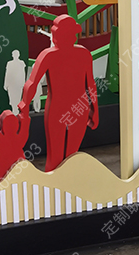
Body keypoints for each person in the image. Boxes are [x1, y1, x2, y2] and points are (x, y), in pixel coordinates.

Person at [18, 14, 99, 172]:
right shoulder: (80, 54)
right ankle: (63, 183)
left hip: (62, 109)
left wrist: (24, 106)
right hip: (74, 108)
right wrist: (94, 110)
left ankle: (63, 184)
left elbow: (32, 83)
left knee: (65, 156)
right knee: (65, 155)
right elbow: (91, 85)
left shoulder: (51, 55)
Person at [0, 109, 30, 187]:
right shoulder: (15, 139)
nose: (11, 126)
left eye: (13, 123)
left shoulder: (1, 139)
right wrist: (24, 112)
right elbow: (25, 125)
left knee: (17, 185)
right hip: (5, 170)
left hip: (14, 167)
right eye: (9, 124)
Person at [3, 49, 27, 115]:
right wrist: (6, 84)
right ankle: (14, 110)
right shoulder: (9, 63)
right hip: (11, 84)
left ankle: (16, 111)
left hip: (18, 83)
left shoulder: (21, 63)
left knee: (17, 97)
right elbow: (7, 74)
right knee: (12, 98)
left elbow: (23, 73)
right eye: (14, 54)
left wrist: (23, 83)